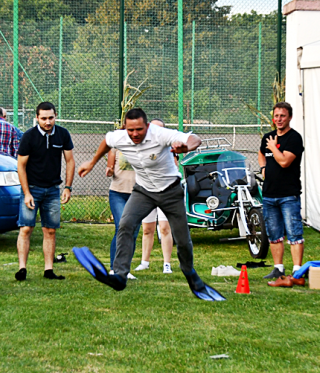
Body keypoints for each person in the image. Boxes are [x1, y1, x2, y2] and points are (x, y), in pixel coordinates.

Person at [77, 108, 223, 300]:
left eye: (139, 129)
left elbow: (195, 139)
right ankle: (120, 275)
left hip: (170, 191)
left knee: (182, 239)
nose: (135, 134)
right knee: (125, 225)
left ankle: (191, 275)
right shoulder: (120, 137)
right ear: (125, 128)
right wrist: (92, 161)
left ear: (147, 126)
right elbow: (106, 141)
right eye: (130, 130)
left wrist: (185, 147)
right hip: (144, 191)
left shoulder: (159, 134)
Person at [16, 101, 75, 281]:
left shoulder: (63, 134)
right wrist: (26, 193)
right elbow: (21, 165)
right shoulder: (29, 136)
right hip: (32, 189)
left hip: (52, 190)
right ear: (37, 118)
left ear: (55, 116)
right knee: (26, 228)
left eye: (51, 118)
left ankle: (48, 270)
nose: (48, 122)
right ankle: (22, 269)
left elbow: (70, 161)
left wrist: (67, 187)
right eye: (43, 118)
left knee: (50, 230)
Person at [257, 102, 305, 287]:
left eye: (282, 116)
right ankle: (278, 268)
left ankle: (297, 271)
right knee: (274, 234)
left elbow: (284, 162)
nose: (279, 119)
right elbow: (261, 152)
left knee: (294, 232)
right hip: (269, 194)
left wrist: (274, 147)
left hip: (288, 194)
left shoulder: (294, 138)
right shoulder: (268, 137)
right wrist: (263, 167)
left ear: (290, 117)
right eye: (276, 116)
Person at [133, 119, 174, 274]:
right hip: (146, 192)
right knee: (147, 229)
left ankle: (167, 264)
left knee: (164, 228)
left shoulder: (168, 148)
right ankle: (144, 262)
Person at [106, 142, 141, 277]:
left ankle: (125, 268)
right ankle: (114, 267)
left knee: (133, 231)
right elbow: (109, 169)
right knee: (121, 227)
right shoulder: (116, 145)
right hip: (118, 192)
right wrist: (109, 170)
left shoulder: (145, 145)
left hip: (138, 194)